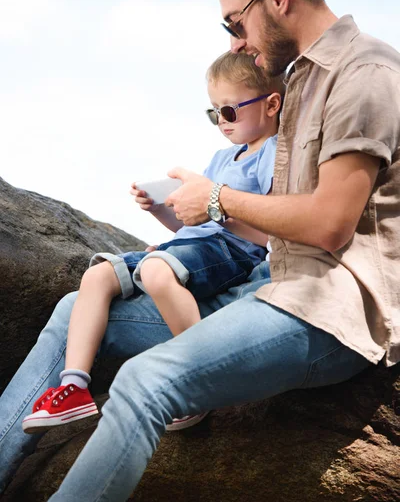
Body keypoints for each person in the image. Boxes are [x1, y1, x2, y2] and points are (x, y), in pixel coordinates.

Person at [0, 0, 399, 502]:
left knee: (145, 381)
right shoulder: (297, 82)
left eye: (235, 23)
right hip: (264, 288)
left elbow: (330, 223)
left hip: (326, 309)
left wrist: (217, 200)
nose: (236, 44)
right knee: (71, 315)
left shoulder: (365, 73)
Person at [20, 51, 284, 434]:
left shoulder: (274, 154)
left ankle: (200, 380)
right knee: (97, 276)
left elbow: (269, 231)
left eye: (229, 112)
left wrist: (214, 206)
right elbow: (189, 228)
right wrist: (160, 210)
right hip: (194, 249)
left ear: (272, 104)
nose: (221, 123)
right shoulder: (223, 157)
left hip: (234, 252)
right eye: (213, 113)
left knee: (158, 272)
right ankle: (74, 387)